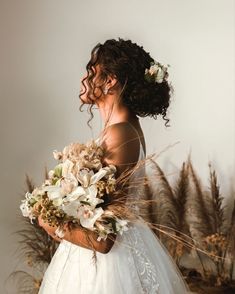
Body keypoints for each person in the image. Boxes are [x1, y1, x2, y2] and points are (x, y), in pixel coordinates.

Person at [38, 38, 190, 293]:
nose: (82, 80)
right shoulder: (121, 129)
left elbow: (105, 241)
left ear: (110, 81)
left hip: (109, 271)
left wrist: (52, 224)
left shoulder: (120, 134)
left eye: (90, 71)